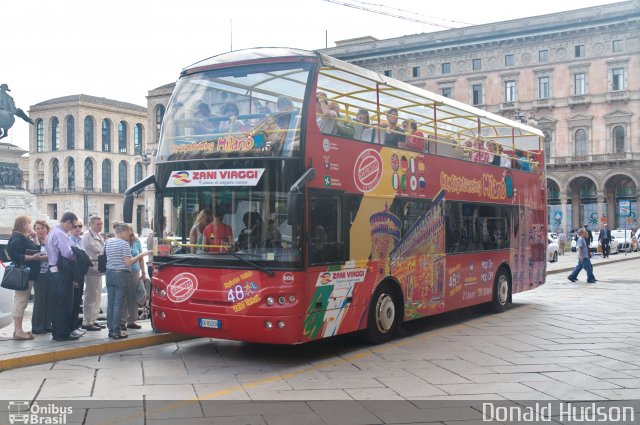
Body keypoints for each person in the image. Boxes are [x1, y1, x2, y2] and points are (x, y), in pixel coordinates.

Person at [105, 222, 150, 339]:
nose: (129, 234)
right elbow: (128, 262)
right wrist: (142, 255)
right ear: (123, 231)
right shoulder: (123, 244)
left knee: (111, 303)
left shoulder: (108, 242)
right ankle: (116, 331)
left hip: (109, 273)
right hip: (121, 274)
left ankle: (110, 329)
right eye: (128, 232)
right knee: (118, 303)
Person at [7, 216, 41, 340]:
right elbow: (15, 255)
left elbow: (36, 249)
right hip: (23, 274)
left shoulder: (23, 237)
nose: (30, 226)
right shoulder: (18, 238)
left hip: (28, 274)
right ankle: (18, 331)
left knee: (22, 301)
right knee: (20, 301)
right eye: (28, 223)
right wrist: (32, 258)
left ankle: (19, 330)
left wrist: (35, 237)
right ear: (23, 224)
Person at [46, 212, 79, 341]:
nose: (73, 228)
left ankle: (58, 332)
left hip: (53, 270)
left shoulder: (52, 232)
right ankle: (62, 333)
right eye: (73, 225)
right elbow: (67, 253)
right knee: (65, 303)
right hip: (62, 271)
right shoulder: (61, 234)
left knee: (58, 303)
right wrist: (76, 256)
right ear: (68, 222)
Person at [81, 215, 105, 331]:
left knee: (97, 295)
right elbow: (84, 252)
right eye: (98, 224)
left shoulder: (99, 236)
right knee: (90, 295)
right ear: (91, 224)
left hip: (99, 268)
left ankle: (93, 319)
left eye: (101, 224)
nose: (100, 226)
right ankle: (87, 321)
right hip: (91, 268)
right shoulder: (86, 236)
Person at [121, 231, 147, 331]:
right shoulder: (122, 242)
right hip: (124, 271)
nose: (129, 233)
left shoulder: (137, 242)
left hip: (135, 272)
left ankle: (132, 321)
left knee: (133, 297)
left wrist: (143, 273)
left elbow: (141, 258)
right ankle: (122, 321)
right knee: (123, 297)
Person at [67, 221, 88, 338]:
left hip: (81, 272)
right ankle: (71, 327)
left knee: (77, 300)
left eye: (80, 226)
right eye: (75, 226)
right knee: (73, 301)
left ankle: (75, 326)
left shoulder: (80, 240)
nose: (77, 228)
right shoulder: (69, 240)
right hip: (74, 273)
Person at [31, 219, 51, 335]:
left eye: (42, 228)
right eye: (37, 228)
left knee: (49, 299)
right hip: (39, 274)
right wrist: (47, 256)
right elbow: (34, 257)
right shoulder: (34, 242)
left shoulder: (50, 240)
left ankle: (47, 325)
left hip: (51, 273)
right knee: (39, 300)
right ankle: (37, 327)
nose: (40, 230)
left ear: (47, 229)